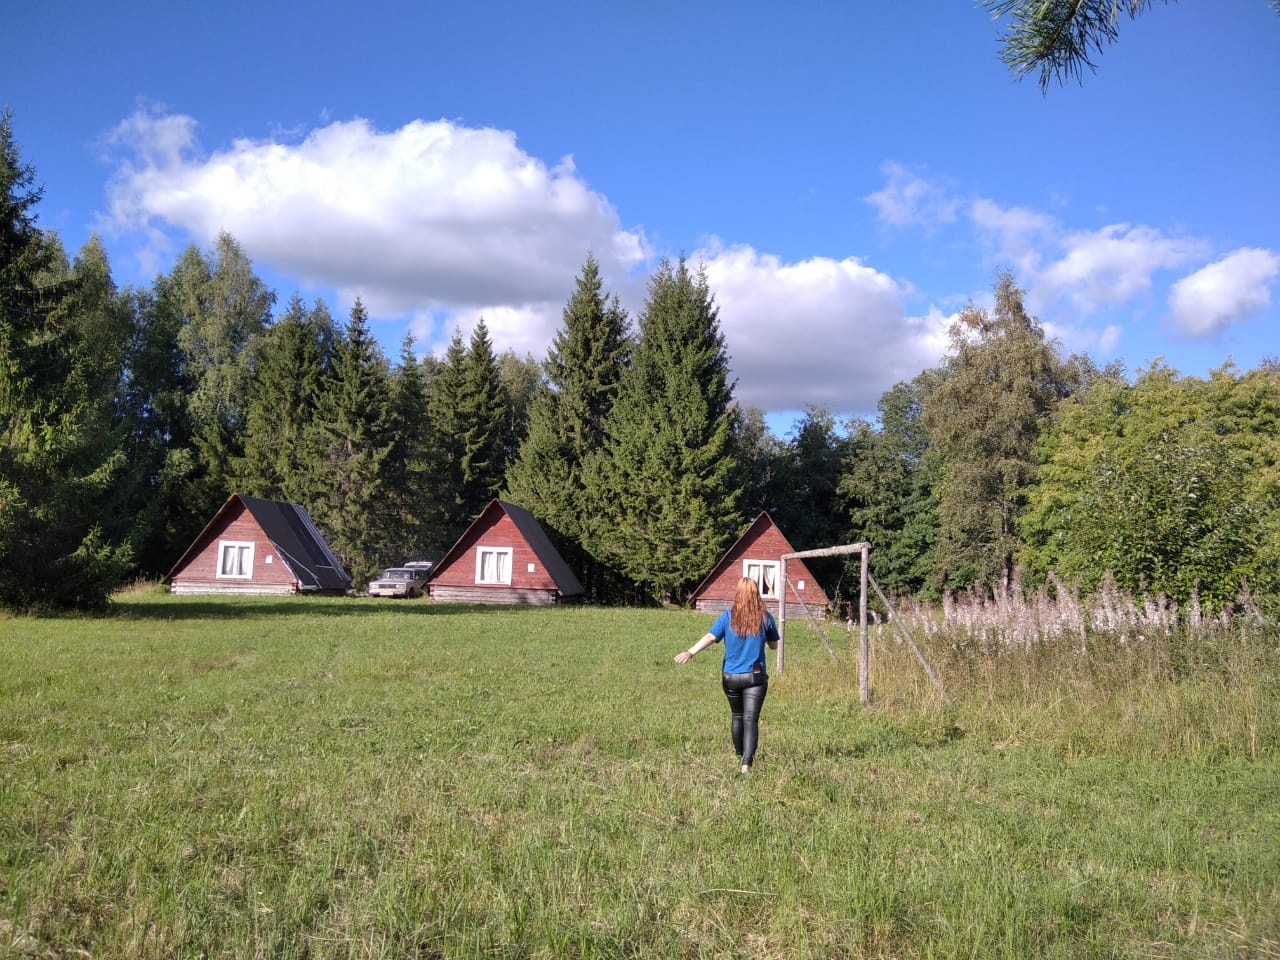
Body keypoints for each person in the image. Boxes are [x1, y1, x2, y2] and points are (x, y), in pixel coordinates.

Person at [674, 577, 780, 773]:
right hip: (755, 678)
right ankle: (746, 764)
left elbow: (710, 637)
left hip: (730, 677)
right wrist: (765, 642)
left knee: (737, 716)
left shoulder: (727, 617)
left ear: (738, 594)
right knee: (751, 719)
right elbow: (774, 645)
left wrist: (690, 652)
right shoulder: (765, 618)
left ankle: (739, 754)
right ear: (757, 594)